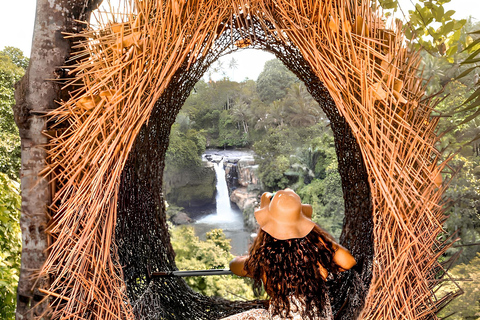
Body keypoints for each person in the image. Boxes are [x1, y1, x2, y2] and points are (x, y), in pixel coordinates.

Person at [222, 188, 356, 320]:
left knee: (255, 314)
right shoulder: (316, 254)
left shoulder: (265, 260)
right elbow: (349, 261)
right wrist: (317, 236)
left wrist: (256, 253)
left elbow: (234, 265)